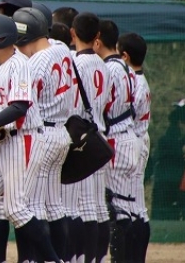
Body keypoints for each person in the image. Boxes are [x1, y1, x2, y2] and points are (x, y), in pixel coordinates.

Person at [0, 13, 63, 263]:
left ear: (2, 38)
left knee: (15, 209)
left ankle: (53, 260)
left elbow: (19, 107)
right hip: (2, 143)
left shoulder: (19, 65)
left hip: (23, 141)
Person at [12, 7, 74, 262]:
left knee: (31, 206)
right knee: (54, 205)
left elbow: (25, 105)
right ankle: (60, 258)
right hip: (61, 132)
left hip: (42, 134)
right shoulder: (61, 48)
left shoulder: (35, 62)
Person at [93, 19, 138, 263]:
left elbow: (104, 106)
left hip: (116, 140)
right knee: (126, 208)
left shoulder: (108, 68)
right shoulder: (125, 66)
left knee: (117, 210)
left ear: (98, 39)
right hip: (129, 137)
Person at [70, 13, 111, 263]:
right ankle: (97, 258)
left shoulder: (75, 63)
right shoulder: (103, 65)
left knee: (80, 207)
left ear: (72, 33)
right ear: (97, 36)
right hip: (98, 135)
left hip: (81, 137)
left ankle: (80, 258)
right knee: (97, 207)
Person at [118, 31, 151, 262]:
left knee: (133, 207)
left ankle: (133, 257)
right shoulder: (139, 79)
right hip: (139, 140)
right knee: (137, 206)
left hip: (134, 141)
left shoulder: (134, 82)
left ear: (125, 56)